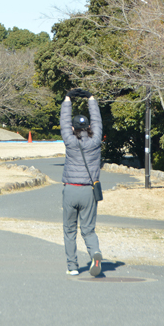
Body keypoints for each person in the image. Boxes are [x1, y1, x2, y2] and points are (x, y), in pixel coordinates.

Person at [60, 88, 103, 276]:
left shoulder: (70, 140)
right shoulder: (95, 141)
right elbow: (98, 121)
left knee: (70, 230)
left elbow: (63, 121)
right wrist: (91, 99)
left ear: (73, 128)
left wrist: (68, 99)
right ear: (89, 127)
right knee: (88, 230)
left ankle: (72, 267)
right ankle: (95, 252)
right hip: (88, 191)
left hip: (70, 189)